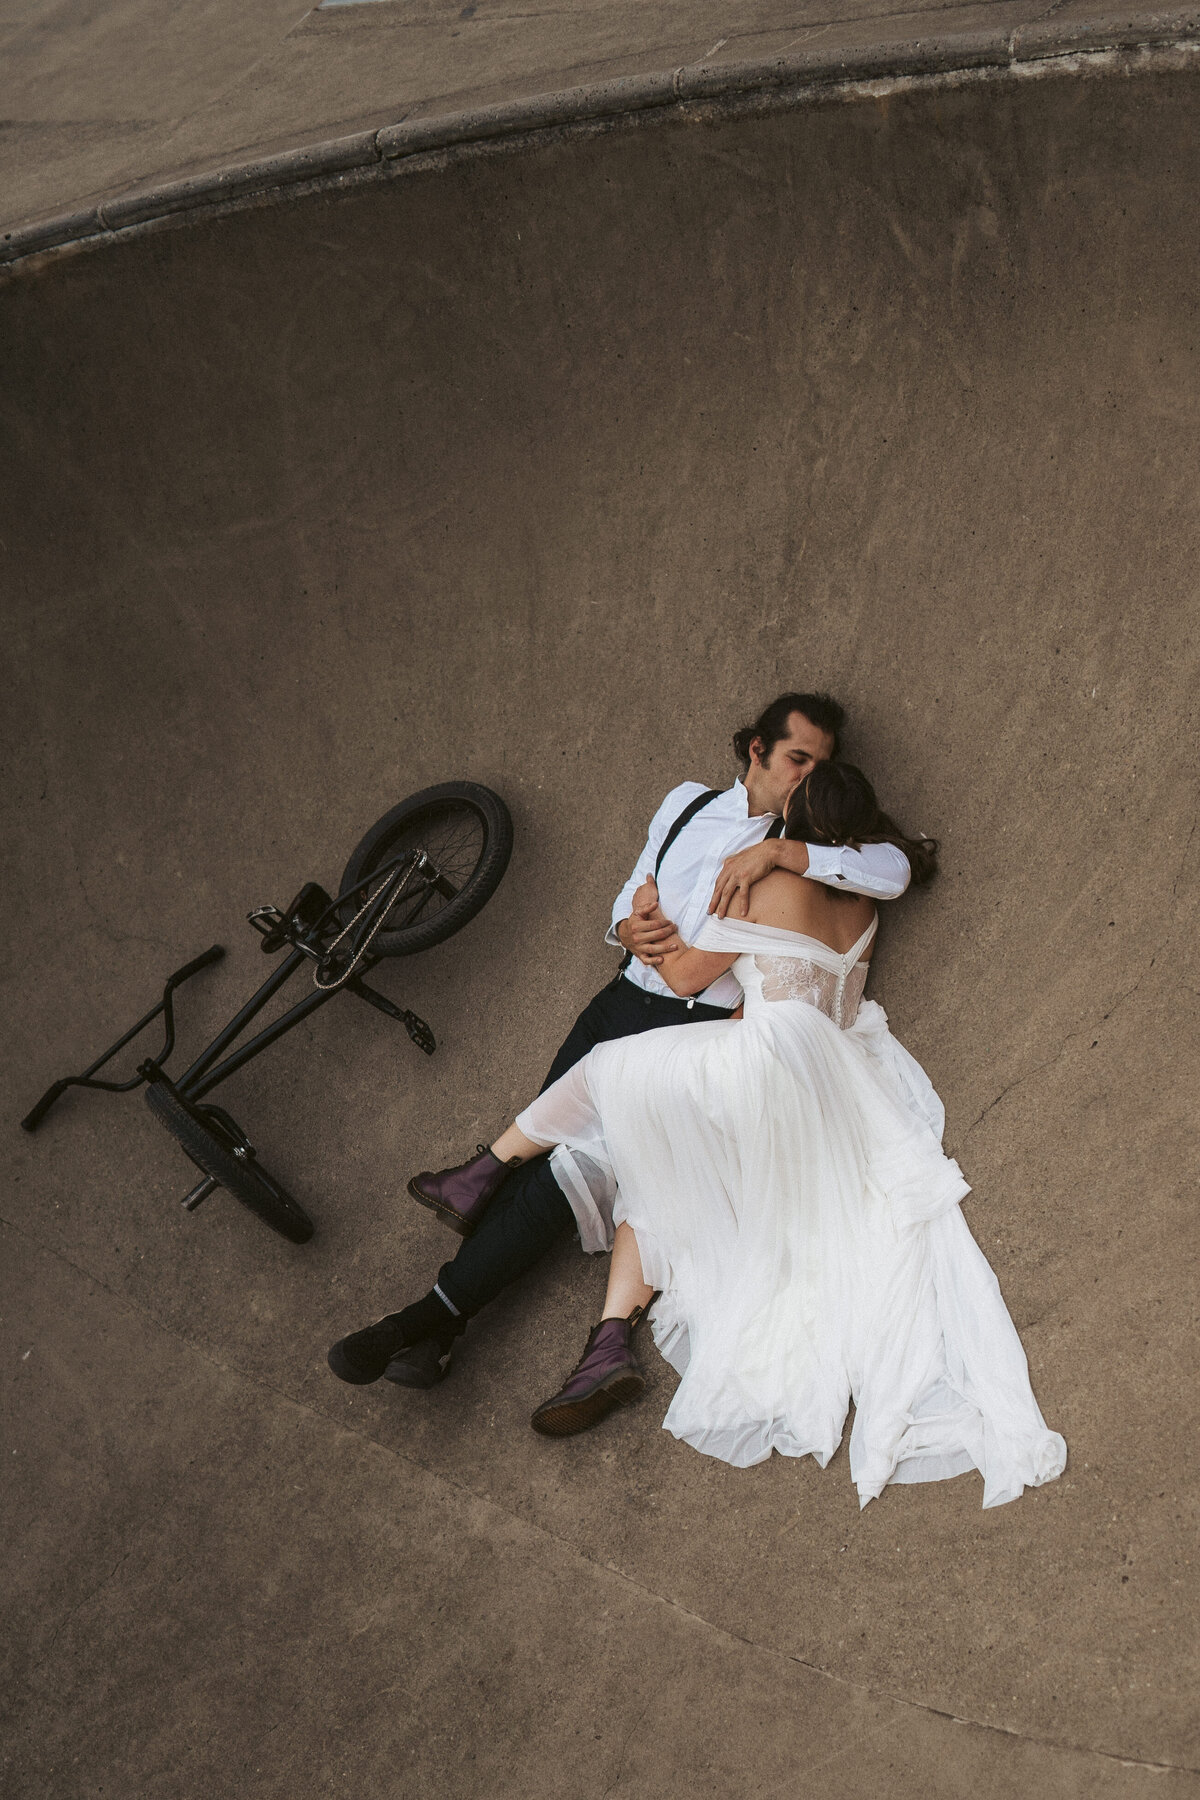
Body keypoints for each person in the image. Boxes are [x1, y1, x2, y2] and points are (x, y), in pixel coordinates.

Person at [465, 762, 1067, 1508]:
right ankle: (604, 1342)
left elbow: (685, 977)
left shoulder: (769, 886)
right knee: (660, 1174)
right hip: (832, 1080)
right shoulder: (864, 906)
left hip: (762, 1064)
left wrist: (645, 911)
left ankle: (484, 1173)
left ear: (795, 826)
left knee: (605, 1069)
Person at [328, 692, 911, 1390]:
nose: (808, 777)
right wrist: (626, 928)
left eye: (820, 766)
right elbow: (638, 882)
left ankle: (431, 1316)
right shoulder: (687, 802)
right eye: (797, 759)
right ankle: (446, 1298)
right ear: (756, 750)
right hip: (619, 999)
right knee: (538, 1140)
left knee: (563, 1173)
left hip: (692, 1026)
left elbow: (890, 871)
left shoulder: (801, 851)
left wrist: (786, 850)